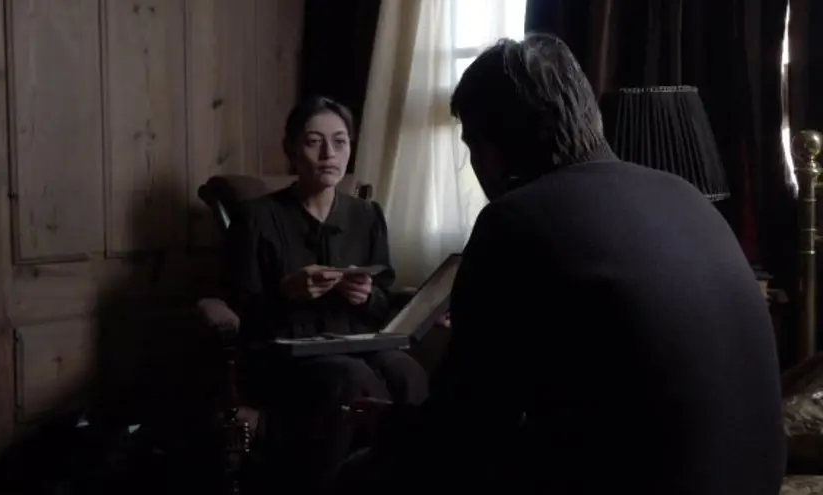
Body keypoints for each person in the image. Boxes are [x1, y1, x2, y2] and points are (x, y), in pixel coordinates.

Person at [336, 34, 784, 495]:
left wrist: (390, 425)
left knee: (362, 475)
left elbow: (465, 431)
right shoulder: (685, 195)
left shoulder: (514, 220)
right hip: (753, 480)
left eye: (471, 147)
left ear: (492, 149)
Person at [222, 96, 428, 494]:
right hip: (282, 353)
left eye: (340, 141)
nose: (328, 154)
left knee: (407, 373)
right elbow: (241, 304)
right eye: (314, 141)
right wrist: (287, 292)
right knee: (353, 379)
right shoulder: (256, 218)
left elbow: (384, 300)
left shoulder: (367, 215)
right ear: (291, 149)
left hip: (355, 342)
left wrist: (367, 296)